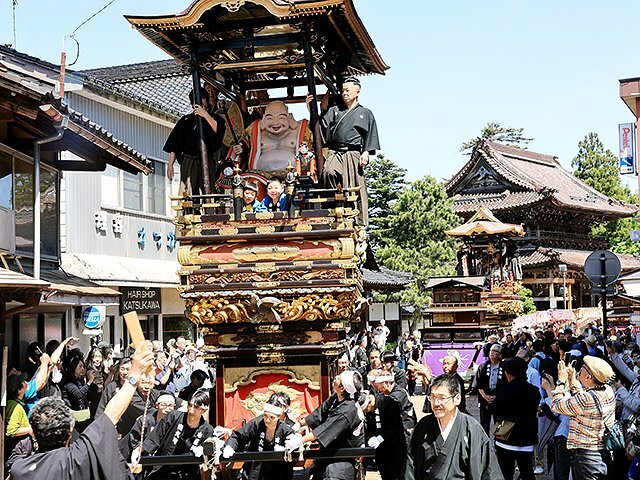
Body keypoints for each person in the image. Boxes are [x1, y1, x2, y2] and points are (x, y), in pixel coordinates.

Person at [10, 348, 155, 480]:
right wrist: (135, 374)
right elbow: (112, 413)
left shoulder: (19, 469)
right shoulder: (77, 457)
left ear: (34, 432)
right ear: (70, 432)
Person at [405, 374, 503, 480]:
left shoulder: (472, 428)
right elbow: (410, 466)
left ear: (457, 399)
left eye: (442, 398)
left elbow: (489, 471)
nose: (436, 403)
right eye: (433, 398)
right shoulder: (423, 426)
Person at [313, 76, 379, 225]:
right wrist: (310, 108)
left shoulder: (366, 113)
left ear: (358, 91)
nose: (344, 93)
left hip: (353, 153)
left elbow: (370, 135)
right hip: (335, 152)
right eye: (343, 90)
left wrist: (366, 152)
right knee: (328, 172)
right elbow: (321, 123)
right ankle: (331, 209)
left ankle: (357, 221)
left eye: (348, 90)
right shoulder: (335, 110)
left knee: (353, 185)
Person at [544, 355, 615, 480]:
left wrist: (561, 381)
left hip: (586, 458)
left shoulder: (585, 399)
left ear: (588, 377)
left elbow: (556, 405)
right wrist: (572, 380)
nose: (580, 369)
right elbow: (582, 397)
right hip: (599, 453)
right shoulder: (608, 390)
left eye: (583, 368)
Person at [300, 370, 365, 480]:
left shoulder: (347, 410)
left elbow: (326, 429)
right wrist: (299, 424)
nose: (335, 377)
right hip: (329, 454)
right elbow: (320, 412)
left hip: (341, 462)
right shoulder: (337, 397)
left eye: (338, 378)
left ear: (342, 388)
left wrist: (299, 440)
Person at [164, 87, 225, 195]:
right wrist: (170, 164)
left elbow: (218, 130)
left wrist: (205, 114)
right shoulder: (185, 120)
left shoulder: (215, 118)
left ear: (207, 101)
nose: (200, 102)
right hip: (189, 160)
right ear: (192, 104)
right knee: (188, 190)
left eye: (203, 99)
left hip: (207, 160)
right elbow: (175, 142)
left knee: (208, 189)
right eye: (196, 100)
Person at [142, 389, 215, 479]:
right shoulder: (173, 416)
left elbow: (209, 456)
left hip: (188, 472)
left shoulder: (208, 430)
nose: (191, 410)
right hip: (164, 466)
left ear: (203, 410)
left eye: (196, 407)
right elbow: (155, 437)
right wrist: (139, 450)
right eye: (190, 405)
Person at [223, 395, 297, 480]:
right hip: (256, 468)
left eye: (272, 417)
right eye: (265, 415)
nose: (267, 420)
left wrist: (290, 446)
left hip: (278, 471)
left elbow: (295, 447)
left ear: (279, 417)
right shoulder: (256, 424)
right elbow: (237, 436)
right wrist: (230, 446)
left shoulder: (285, 430)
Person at [492, 357, 540, 480]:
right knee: (527, 471)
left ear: (509, 373)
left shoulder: (504, 391)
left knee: (505, 474)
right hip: (527, 439)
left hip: (506, 439)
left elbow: (496, 412)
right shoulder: (534, 391)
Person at [367, 373, 408, 480]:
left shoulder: (396, 396)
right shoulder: (385, 396)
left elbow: (394, 423)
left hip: (403, 434)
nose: (378, 390)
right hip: (389, 437)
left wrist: (381, 437)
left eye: (379, 386)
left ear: (386, 383)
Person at [119, 390, 177, 462]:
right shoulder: (144, 420)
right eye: (163, 405)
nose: (167, 409)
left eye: (170, 406)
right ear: (157, 405)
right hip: (143, 456)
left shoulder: (176, 421)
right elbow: (134, 439)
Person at [475, 343, 506, 433]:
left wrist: (497, 397)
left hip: (499, 399)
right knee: (484, 424)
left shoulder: (504, 367)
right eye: (491, 350)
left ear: (500, 354)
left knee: (499, 424)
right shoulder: (483, 367)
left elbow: (506, 385)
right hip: (485, 399)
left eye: (495, 351)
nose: (492, 352)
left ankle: (498, 443)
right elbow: (479, 384)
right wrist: (486, 397)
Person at [60, 356, 94, 432]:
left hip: (83, 415)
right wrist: (89, 382)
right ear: (73, 368)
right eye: (80, 366)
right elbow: (78, 394)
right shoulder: (68, 382)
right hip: (74, 417)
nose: (82, 369)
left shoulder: (80, 380)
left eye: (83, 367)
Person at [5, 373, 33, 459]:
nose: (25, 382)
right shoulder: (14, 406)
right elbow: (11, 431)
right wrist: (30, 429)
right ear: (19, 390)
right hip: (18, 452)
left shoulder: (17, 403)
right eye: (22, 382)